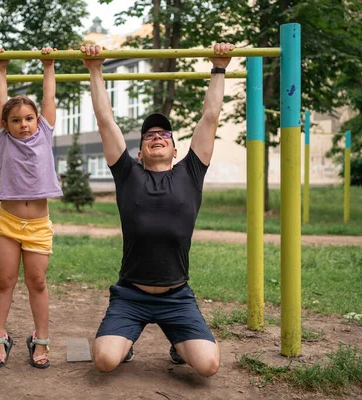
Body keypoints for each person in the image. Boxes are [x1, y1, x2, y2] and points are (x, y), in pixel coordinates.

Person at [80, 42, 235, 377]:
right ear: (139, 152)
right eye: (148, 135)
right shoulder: (127, 174)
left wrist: (219, 67)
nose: (157, 137)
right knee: (105, 361)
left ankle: (179, 344)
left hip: (176, 296)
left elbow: (210, 117)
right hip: (131, 294)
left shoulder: (191, 173)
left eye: (164, 133)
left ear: (175, 148)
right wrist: (95, 69)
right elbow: (106, 120)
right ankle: (127, 341)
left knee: (208, 366)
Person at [0, 47, 63, 369]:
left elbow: (49, 100)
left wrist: (49, 66)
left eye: (28, 119)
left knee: (38, 282)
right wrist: (0, 69)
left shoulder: (44, 134)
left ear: (37, 121)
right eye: (16, 120)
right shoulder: (4, 139)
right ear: (6, 123)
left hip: (38, 225)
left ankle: (40, 340)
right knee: (5, 280)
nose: (23, 124)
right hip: (8, 222)